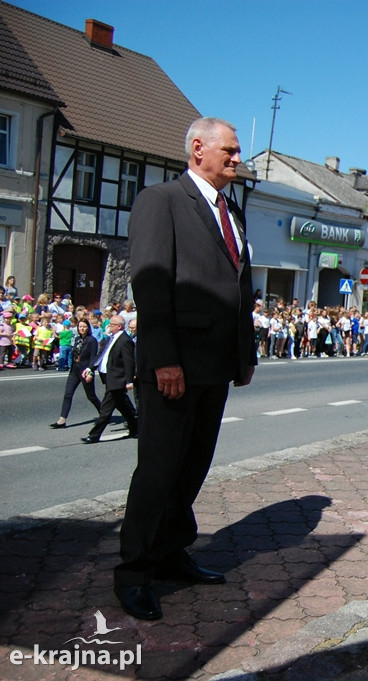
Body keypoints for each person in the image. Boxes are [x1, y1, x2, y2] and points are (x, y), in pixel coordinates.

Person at [115, 116, 257, 621]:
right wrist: (165, 358)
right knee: (158, 468)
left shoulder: (230, 209)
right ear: (199, 149)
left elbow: (239, 286)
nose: (238, 158)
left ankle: (171, 553)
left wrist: (244, 354)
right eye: (231, 150)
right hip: (174, 365)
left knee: (193, 465)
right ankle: (133, 571)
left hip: (215, 366)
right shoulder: (163, 201)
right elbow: (151, 284)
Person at [81, 315, 137, 444]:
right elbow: (101, 355)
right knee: (123, 405)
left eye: (112, 324)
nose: (109, 326)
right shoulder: (110, 339)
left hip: (117, 379)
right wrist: (90, 368)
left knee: (106, 408)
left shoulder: (125, 340)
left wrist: (129, 380)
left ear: (119, 326)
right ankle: (135, 427)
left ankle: (94, 435)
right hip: (107, 377)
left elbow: (129, 362)